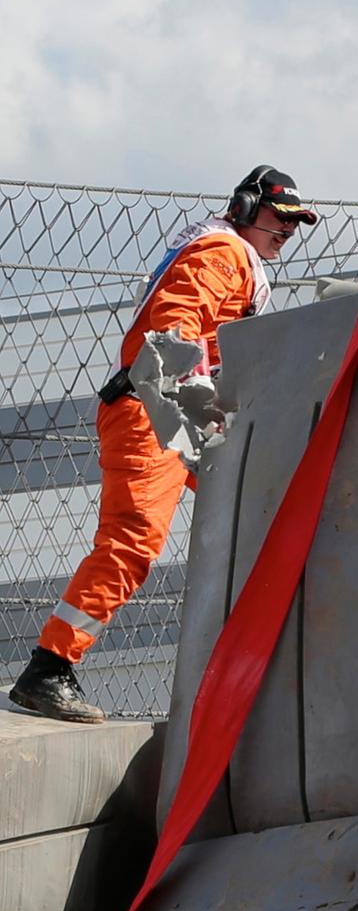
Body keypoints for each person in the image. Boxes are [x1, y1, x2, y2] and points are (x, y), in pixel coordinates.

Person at [8, 166, 320, 723]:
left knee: (257, 511)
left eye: (297, 222)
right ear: (247, 208)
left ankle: (257, 657)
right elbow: (174, 330)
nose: (288, 229)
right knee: (133, 542)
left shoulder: (230, 256)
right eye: (280, 217)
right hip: (155, 411)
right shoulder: (221, 255)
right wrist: (207, 411)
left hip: (178, 412)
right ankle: (48, 668)